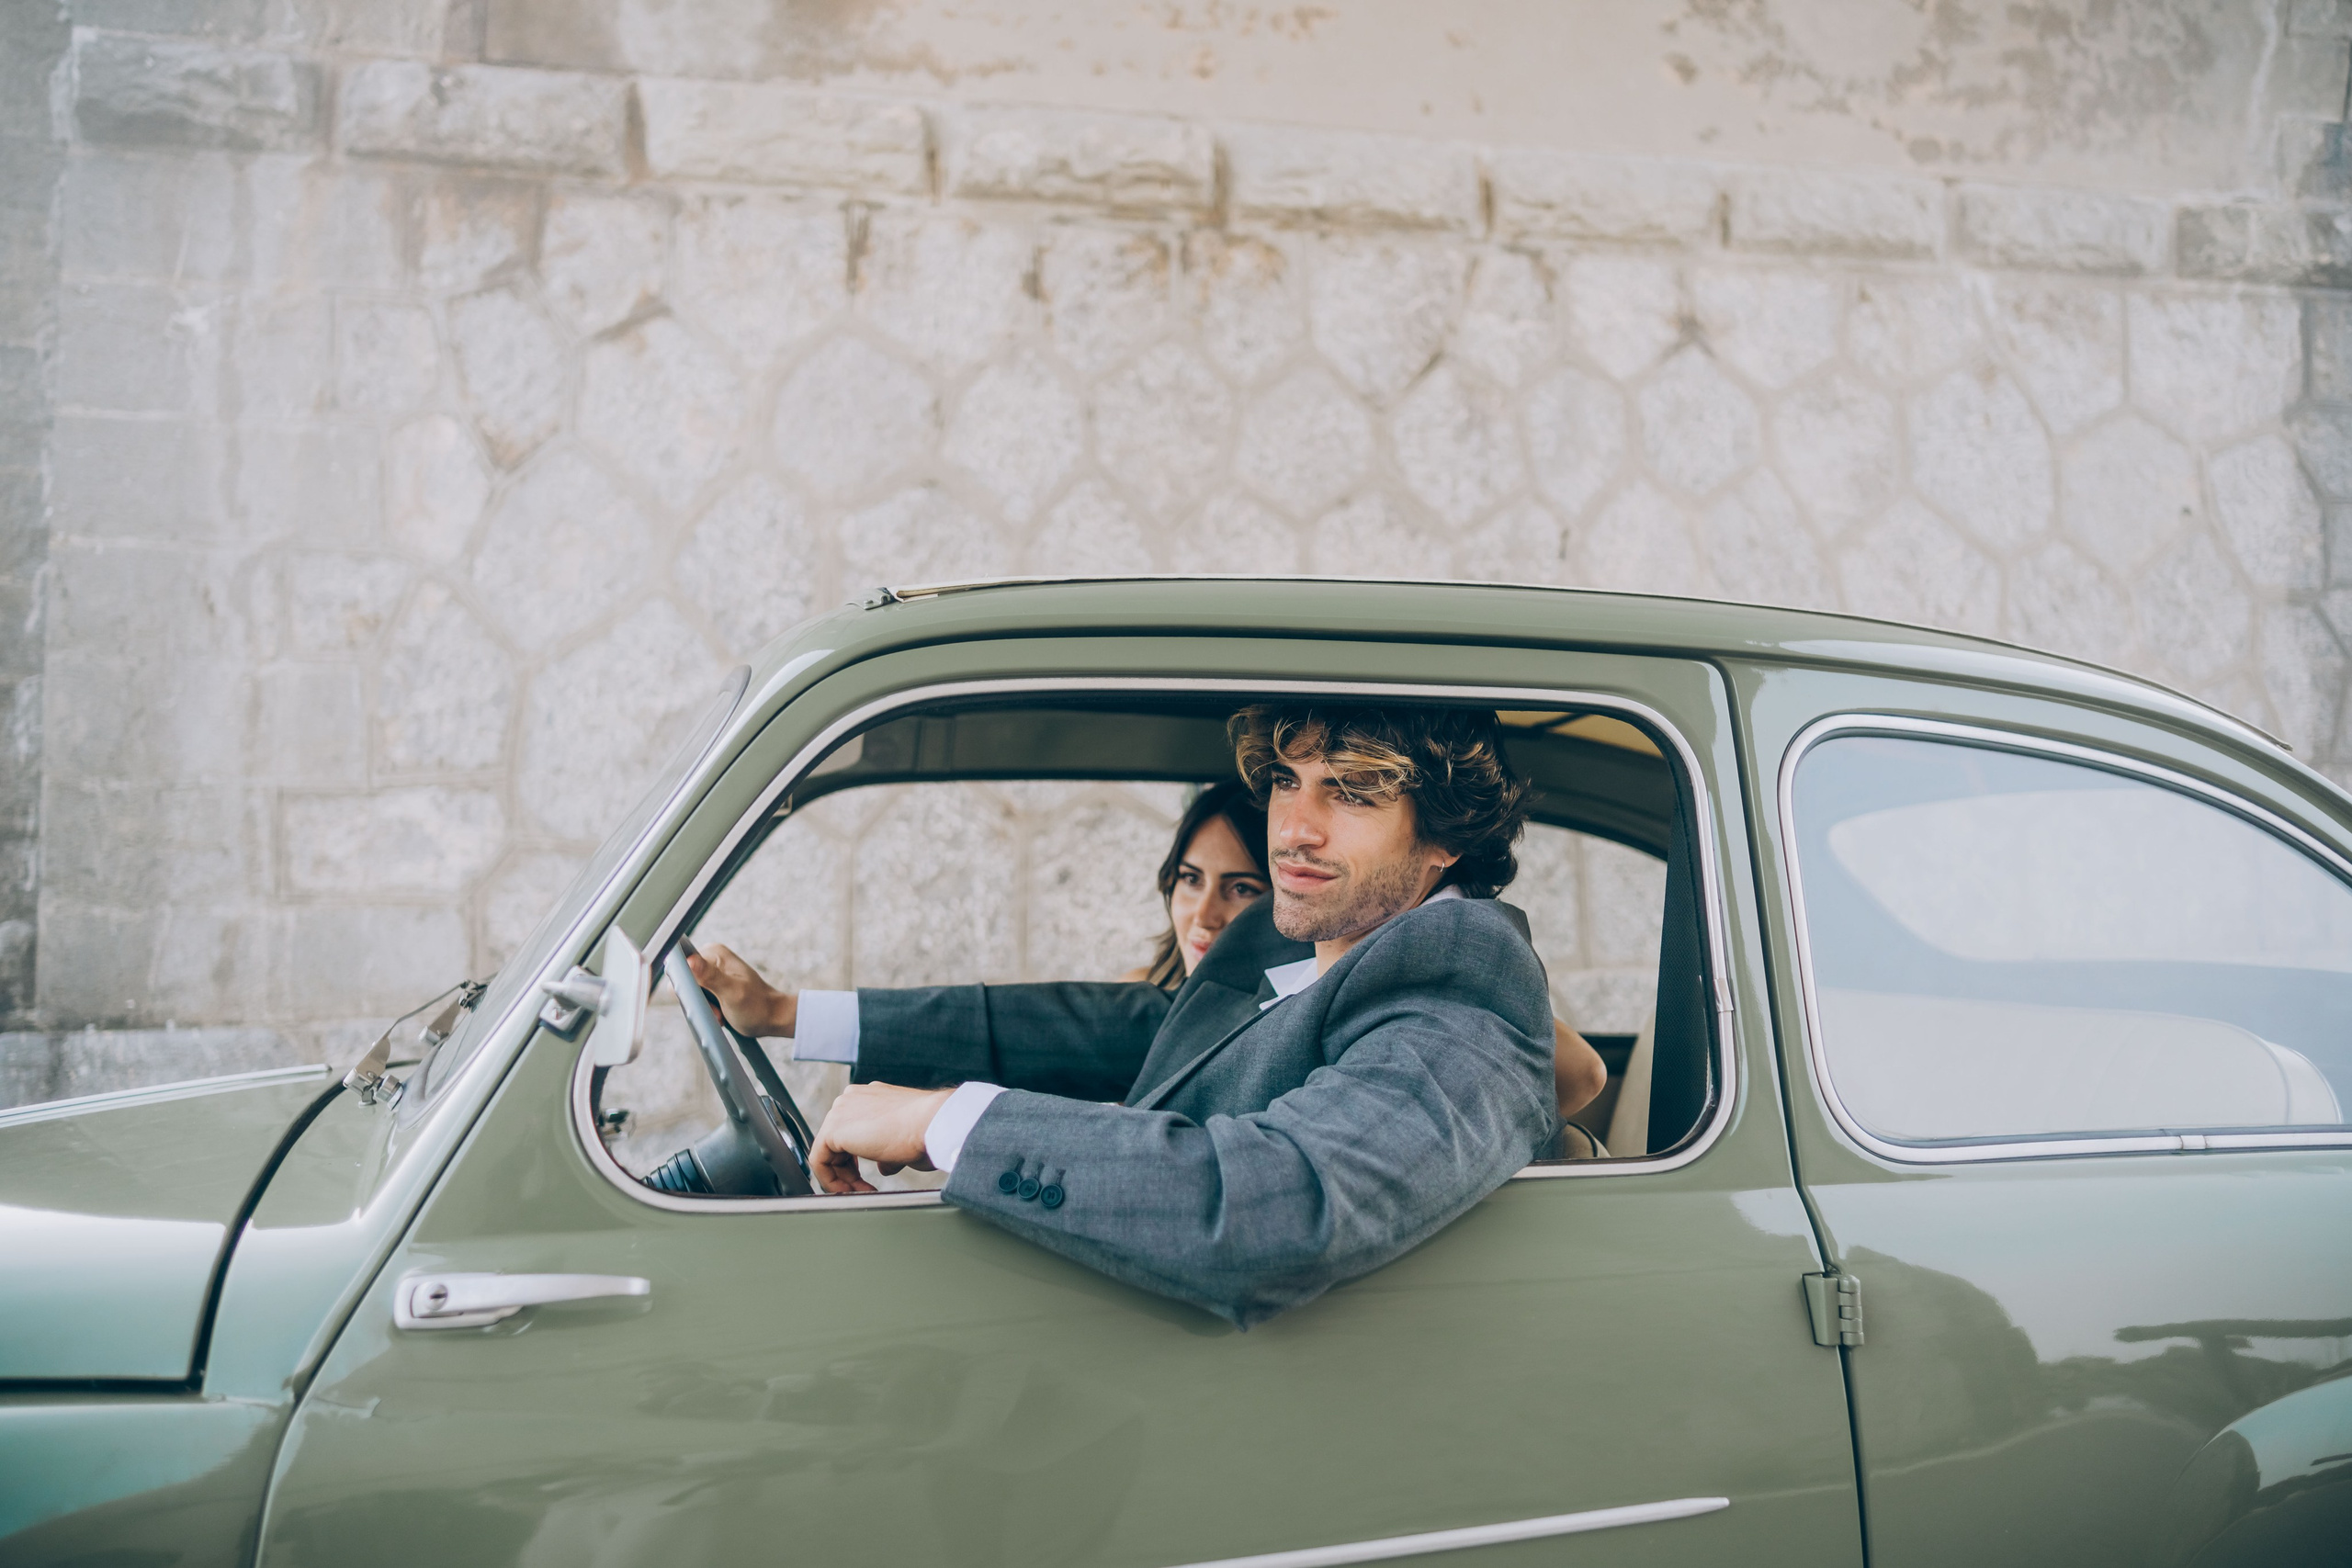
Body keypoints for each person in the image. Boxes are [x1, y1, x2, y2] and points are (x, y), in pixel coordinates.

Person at [690, 703, 1560, 1326]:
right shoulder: (1285, 939)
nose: (1293, 828)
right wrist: (787, 1013)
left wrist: (949, 1121)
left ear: (1445, 834)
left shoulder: (1460, 978)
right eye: (1285, 782)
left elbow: (1274, 1210)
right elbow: (1106, 1026)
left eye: (1352, 793)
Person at [1118, 780, 1607, 1122]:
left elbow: (1582, 1072)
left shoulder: (1448, 978)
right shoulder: (1231, 984)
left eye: (1242, 888)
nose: (1204, 916)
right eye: (1189, 879)